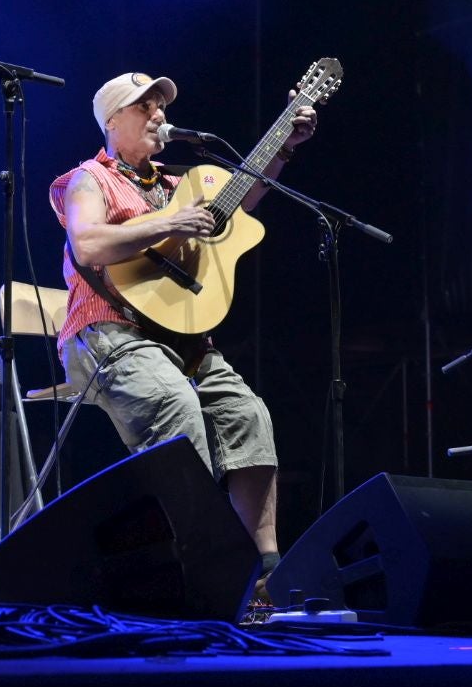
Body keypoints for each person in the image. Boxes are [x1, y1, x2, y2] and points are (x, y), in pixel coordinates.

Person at [49, 72, 318, 596]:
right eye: (142, 106)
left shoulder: (179, 185)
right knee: (176, 407)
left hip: (183, 340)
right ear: (112, 121)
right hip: (108, 332)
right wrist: (169, 225)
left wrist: (283, 146)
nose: (156, 113)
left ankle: (262, 571)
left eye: (159, 104)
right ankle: (189, 564)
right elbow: (88, 244)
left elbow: (236, 208)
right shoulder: (86, 179)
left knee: (249, 415)